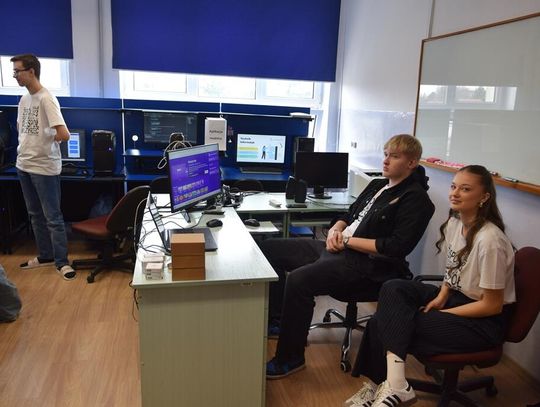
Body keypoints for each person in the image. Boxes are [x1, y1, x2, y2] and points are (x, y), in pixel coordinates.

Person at [263, 134, 435, 379]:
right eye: (386, 154)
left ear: (412, 163)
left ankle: (290, 358)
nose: (386, 161)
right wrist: (336, 230)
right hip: (340, 248)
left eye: (394, 156)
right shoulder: (378, 185)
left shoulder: (416, 200)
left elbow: (395, 247)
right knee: (270, 250)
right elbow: (348, 214)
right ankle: (280, 322)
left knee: (300, 280)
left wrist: (345, 241)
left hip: (369, 267)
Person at [345, 165, 515, 407]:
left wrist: (445, 313)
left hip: (484, 322)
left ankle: (390, 386)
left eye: (465, 189)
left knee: (384, 322)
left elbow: (492, 305)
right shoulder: (455, 224)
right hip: (457, 298)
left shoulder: (490, 241)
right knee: (394, 287)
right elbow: (454, 269)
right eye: (454, 186)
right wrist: (442, 295)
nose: (455, 193)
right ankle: (390, 386)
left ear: (484, 197)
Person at [11, 54, 76, 280]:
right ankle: (45, 255)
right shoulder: (24, 99)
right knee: (34, 215)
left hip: (44, 167)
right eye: (14, 72)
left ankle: (62, 262)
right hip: (24, 164)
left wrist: (45, 142)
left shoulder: (47, 99)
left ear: (31, 71)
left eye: (18, 71)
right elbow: (22, 129)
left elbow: (64, 134)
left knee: (53, 217)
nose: (15, 76)